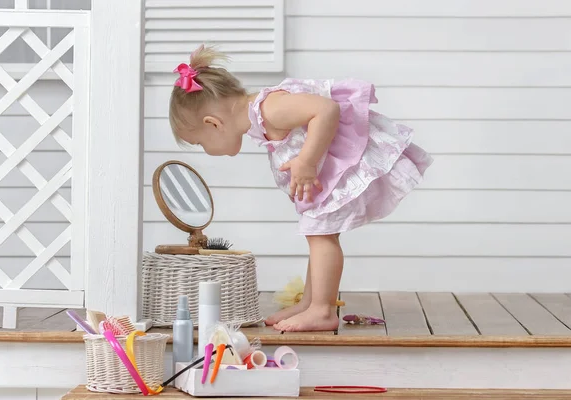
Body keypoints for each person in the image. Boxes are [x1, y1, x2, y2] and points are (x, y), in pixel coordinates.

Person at [169, 45, 433, 332]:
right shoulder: (260, 118)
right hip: (326, 175)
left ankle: (322, 310)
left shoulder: (270, 109)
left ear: (213, 124)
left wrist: (306, 161)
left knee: (321, 237)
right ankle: (312, 302)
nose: (205, 150)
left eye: (200, 143)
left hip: (337, 168)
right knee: (318, 234)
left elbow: (326, 109)